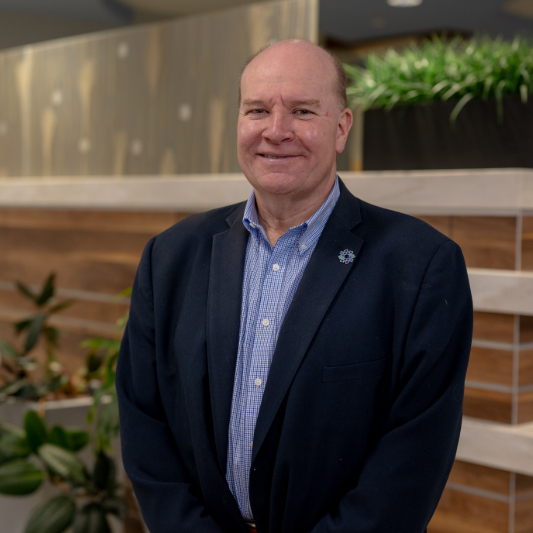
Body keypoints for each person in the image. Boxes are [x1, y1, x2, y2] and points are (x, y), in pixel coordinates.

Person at [116, 39, 473, 533]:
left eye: (303, 111)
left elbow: (411, 460)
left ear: (341, 128)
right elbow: (145, 423)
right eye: (257, 110)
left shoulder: (421, 266)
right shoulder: (170, 257)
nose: (276, 130)